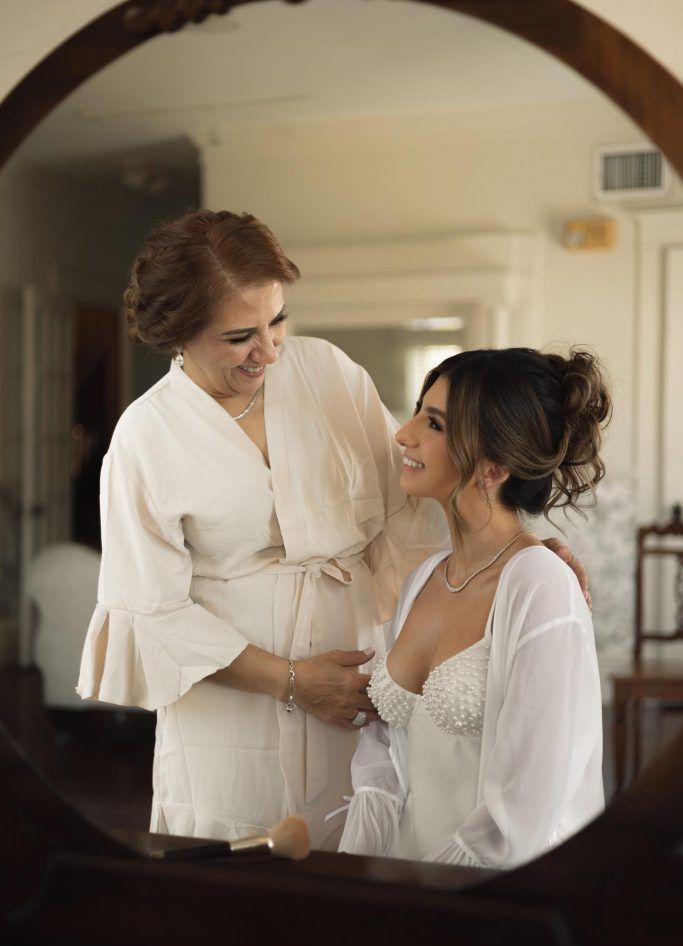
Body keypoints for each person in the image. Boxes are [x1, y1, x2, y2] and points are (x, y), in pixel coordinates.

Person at [77, 209, 587, 851]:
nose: (268, 351)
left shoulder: (328, 376)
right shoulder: (144, 438)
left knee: (353, 859)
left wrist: (518, 561)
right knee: (234, 882)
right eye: (239, 336)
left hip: (357, 692)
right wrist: (291, 680)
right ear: (178, 334)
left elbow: (429, 492)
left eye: (278, 321)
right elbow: (149, 610)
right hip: (229, 718)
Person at [339, 347, 610, 867]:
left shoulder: (541, 585)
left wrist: (435, 907)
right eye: (419, 411)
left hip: (492, 906)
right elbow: (380, 770)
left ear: (493, 467)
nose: (404, 433)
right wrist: (356, 881)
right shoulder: (424, 579)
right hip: (406, 891)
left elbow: (523, 811)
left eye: (434, 424)